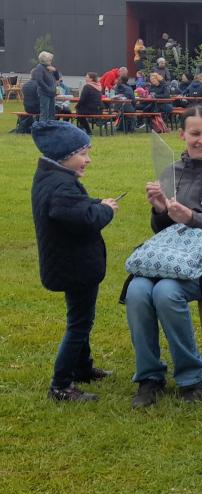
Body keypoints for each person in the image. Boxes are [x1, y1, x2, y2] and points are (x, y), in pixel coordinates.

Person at [125, 106, 202, 408]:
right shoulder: (171, 171)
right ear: (182, 135)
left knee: (167, 292)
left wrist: (192, 217)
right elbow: (161, 230)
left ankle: (190, 378)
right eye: (195, 134)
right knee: (138, 291)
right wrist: (160, 209)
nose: (201, 140)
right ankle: (149, 376)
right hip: (172, 256)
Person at [30, 121, 117, 402]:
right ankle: (61, 385)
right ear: (64, 155)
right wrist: (104, 209)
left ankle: (82, 368)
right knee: (79, 323)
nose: (88, 159)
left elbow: (74, 208)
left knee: (80, 318)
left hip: (68, 264)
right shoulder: (62, 187)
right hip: (75, 267)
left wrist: (93, 201)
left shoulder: (51, 178)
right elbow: (85, 220)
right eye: (83, 153)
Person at [31, 51, 57, 121]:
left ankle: (50, 128)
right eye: (49, 60)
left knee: (51, 113)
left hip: (52, 94)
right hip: (44, 94)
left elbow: (57, 78)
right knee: (45, 112)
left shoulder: (49, 67)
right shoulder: (40, 67)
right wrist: (48, 89)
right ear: (45, 60)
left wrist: (55, 70)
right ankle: (42, 129)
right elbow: (39, 81)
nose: (51, 61)